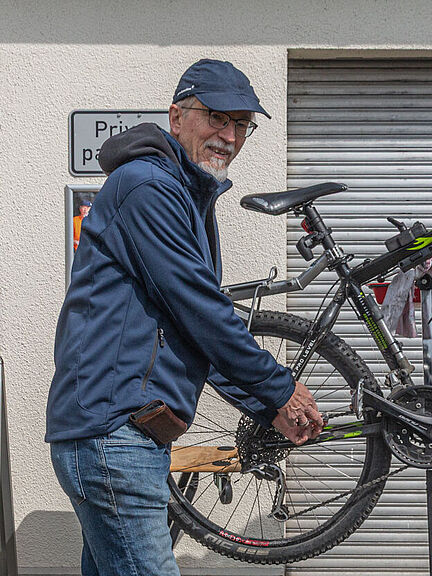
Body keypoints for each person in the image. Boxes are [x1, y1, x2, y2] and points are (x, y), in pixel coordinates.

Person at [46, 59, 323, 575]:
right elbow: (201, 309)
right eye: (217, 117)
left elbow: (194, 332)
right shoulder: (148, 187)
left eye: (241, 124)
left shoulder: (186, 194)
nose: (229, 136)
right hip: (114, 435)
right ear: (177, 117)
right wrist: (279, 387)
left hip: (126, 436)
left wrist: (267, 406)